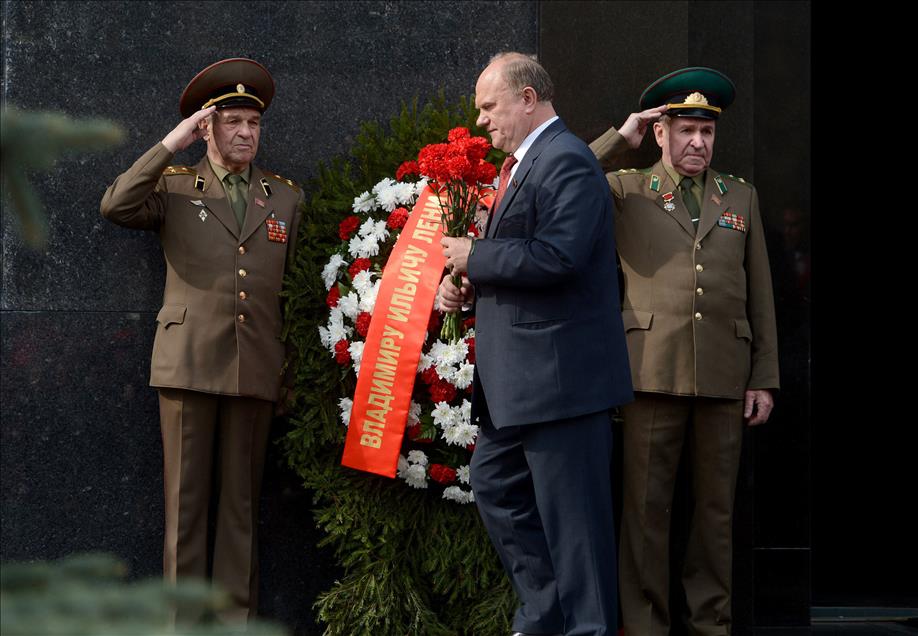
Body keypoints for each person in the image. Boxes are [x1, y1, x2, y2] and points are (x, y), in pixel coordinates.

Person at [100, 58, 303, 622]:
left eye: (253, 124)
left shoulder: (285, 198)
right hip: (188, 365)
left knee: (241, 511)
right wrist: (172, 142)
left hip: (255, 365)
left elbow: (290, 287)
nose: (245, 133)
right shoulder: (173, 185)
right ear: (207, 129)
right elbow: (116, 204)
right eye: (232, 121)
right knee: (185, 511)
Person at [439, 52, 633, 636]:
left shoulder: (566, 160)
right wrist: (472, 287)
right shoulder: (530, 163)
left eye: (489, 106)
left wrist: (475, 255)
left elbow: (560, 256)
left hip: (560, 383)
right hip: (520, 386)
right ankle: (547, 614)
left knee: (577, 530)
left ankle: (586, 627)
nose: (481, 122)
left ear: (528, 98)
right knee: (496, 486)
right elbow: (534, 266)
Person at [588, 67, 780, 635]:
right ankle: (645, 628)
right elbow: (559, 177)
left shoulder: (739, 195)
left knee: (715, 518)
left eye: (707, 131)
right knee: (645, 515)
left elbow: (761, 290)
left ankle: (709, 627)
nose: (698, 141)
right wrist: (620, 136)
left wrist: (763, 375)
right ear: (662, 133)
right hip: (650, 373)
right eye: (686, 129)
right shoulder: (625, 189)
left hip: (725, 376)